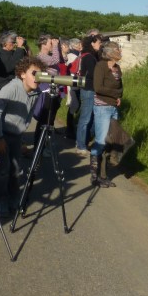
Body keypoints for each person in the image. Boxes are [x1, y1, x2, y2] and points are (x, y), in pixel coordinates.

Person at [0, 56, 45, 217]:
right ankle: (1, 200)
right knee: (4, 170)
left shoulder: (36, 92)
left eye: (40, 74)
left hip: (16, 135)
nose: (37, 78)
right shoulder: (11, 88)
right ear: (22, 74)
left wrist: (22, 132)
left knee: (16, 169)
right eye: (34, 73)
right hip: (2, 133)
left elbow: (29, 114)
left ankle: (14, 198)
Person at [91, 41, 124, 188]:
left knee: (111, 141)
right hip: (102, 107)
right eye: (118, 49)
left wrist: (119, 96)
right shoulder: (101, 66)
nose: (120, 51)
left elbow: (120, 88)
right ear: (110, 52)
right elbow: (98, 87)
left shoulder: (117, 68)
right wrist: (115, 94)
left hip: (113, 107)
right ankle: (94, 176)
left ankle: (104, 176)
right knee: (101, 141)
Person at [74, 31, 103, 156]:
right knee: (85, 118)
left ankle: (82, 142)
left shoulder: (87, 55)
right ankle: (80, 145)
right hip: (88, 90)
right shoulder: (90, 57)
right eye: (99, 42)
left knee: (87, 117)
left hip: (87, 90)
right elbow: (93, 75)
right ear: (92, 43)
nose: (100, 45)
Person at [0, 31, 27, 99]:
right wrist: (19, 47)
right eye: (13, 42)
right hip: (2, 88)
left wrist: (25, 45)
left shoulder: (15, 52)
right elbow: (9, 67)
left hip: (15, 86)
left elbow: (29, 59)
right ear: (4, 43)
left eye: (15, 42)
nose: (15, 44)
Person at [63, 37, 83, 140]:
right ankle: (69, 131)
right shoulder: (72, 55)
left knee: (75, 105)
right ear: (75, 46)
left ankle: (70, 129)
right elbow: (73, 69)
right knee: (74, 105)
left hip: (75, 83)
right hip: (73, 83)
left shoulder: (75, 55)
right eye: (79, 45)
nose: (80, 46)